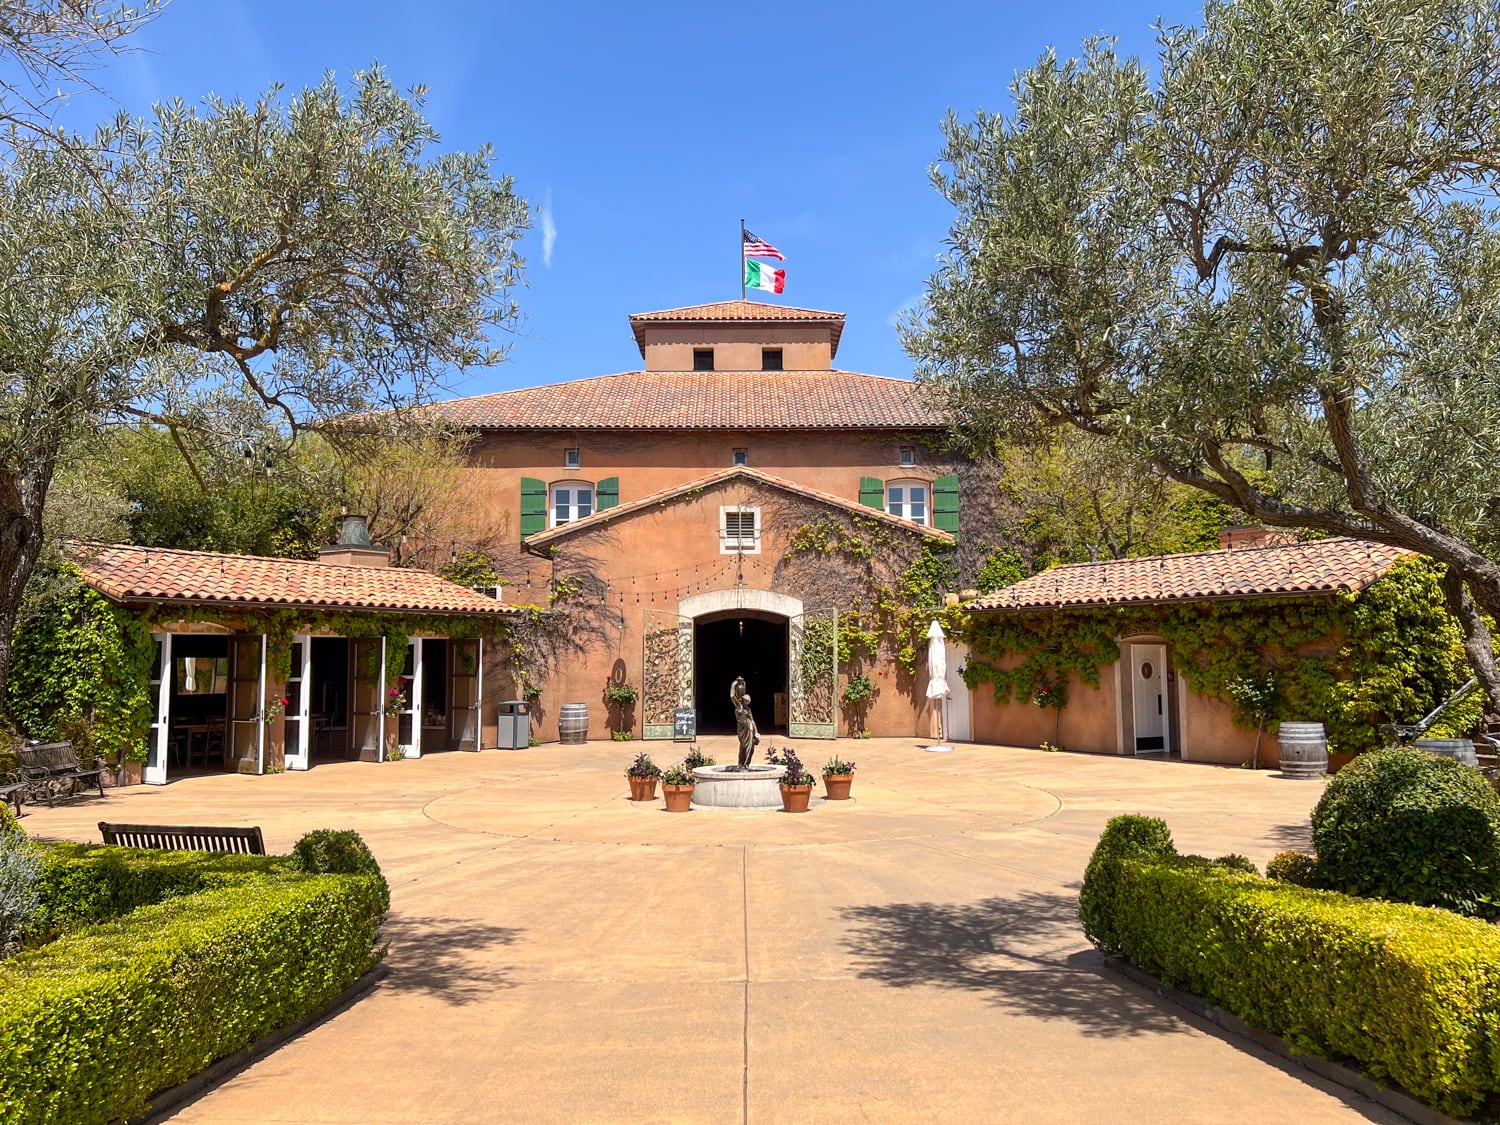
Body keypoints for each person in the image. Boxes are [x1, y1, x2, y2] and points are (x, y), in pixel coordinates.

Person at [731, 676, 759, 770]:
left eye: (749, 701)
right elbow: (732, 696)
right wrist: (735, 684)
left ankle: (746, 764)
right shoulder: (738, 706)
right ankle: (740, 763)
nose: (748, 702)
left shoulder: (748, 709)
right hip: (742, 729)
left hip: (749, 728)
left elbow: (752, 720)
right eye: (746, 701)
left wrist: (756, 732)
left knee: (751, 748)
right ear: (743, 700)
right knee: (743, 746)